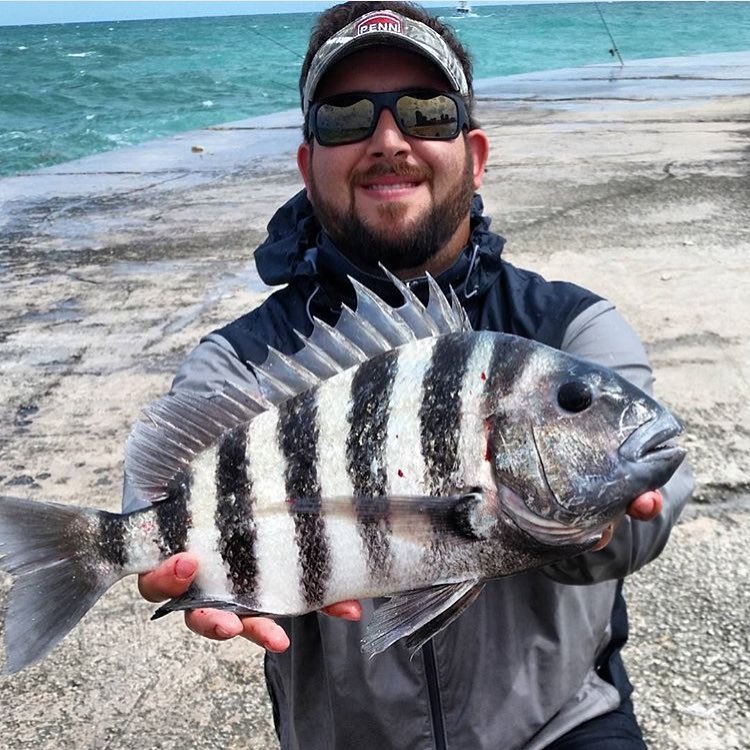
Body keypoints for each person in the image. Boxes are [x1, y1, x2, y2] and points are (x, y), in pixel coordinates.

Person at [130, 3, 694, 748]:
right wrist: (151, 546)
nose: (389, 139)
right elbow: (162, 494)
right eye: (346, 117)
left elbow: (651, 495)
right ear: (307, 163)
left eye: (428, 113)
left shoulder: (569, 331)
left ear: (477, 153)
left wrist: (602, 522)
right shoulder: (244, 363)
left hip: (564, 727)